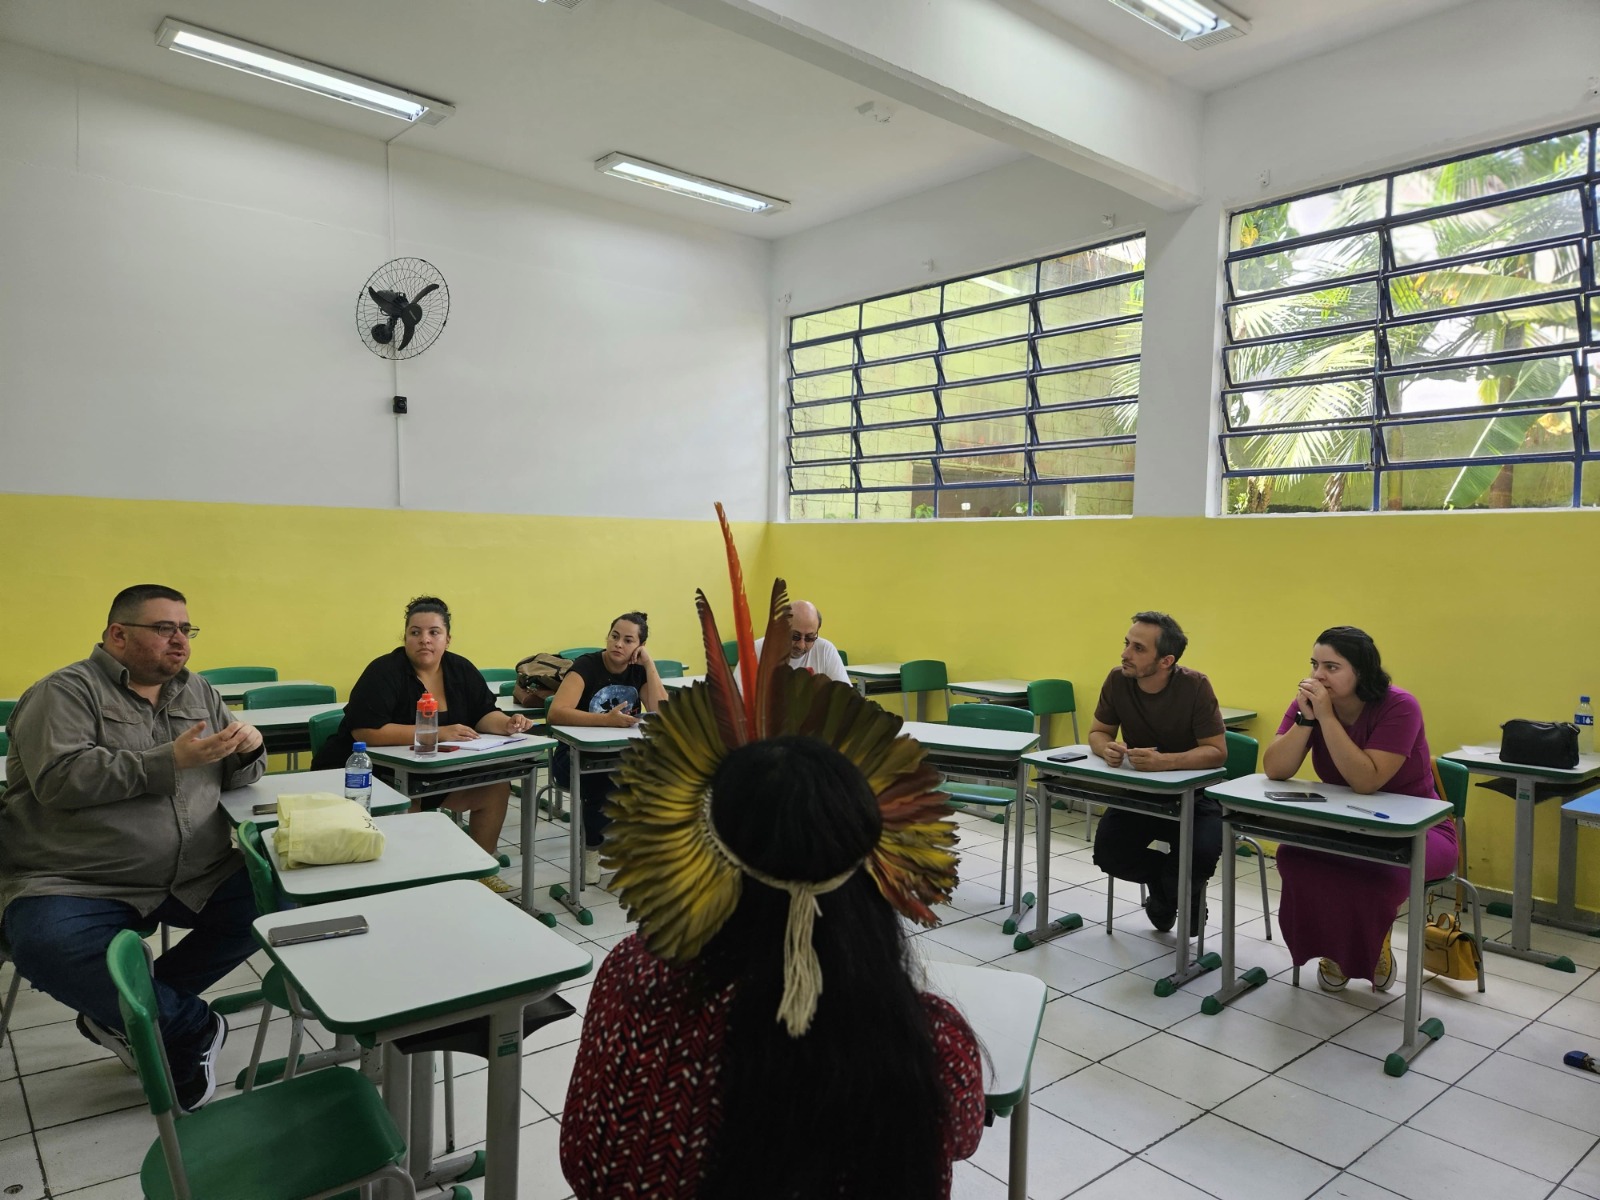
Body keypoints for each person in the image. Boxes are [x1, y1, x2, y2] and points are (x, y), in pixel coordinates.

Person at [561, 512, 982, 1198]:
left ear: (699, 851)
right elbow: (958, 1133)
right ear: (872, 863)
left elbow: (585, 1161)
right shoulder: (923, 1039)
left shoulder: (634, 988)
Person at [0, 584, 265, 1112]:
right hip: (78, 877)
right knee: (44, 943)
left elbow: (232, 779)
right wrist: (168, 760)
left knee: (271, 899)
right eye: (164, 629)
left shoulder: (199, 692)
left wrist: (249, 751)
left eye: (185, 630)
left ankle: (130, 1008)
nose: (180, 642)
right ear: (118, 634)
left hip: (196, 870)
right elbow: (58, 779)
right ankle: (186, 1025)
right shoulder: (63, 693)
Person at [1263, 626, 1456, 992]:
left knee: (1376, 870)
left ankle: (1372, 942)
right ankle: (1332, 949)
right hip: (1347, 821)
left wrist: (1328, 718)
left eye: (1332, 667)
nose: (1318, 676)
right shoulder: (1309, 705)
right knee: (1295, 855)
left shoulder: (1400, 706)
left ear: (1362, 673)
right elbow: (1275, 768)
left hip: (1418, 829)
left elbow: (1366, 780)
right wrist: (1306, 719)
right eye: (1314, 664)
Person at [311, 596, 534, 893]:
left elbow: (483, 713)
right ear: (404, 637)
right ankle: (414, 882)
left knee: (495, 788)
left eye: (433, 632)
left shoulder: (460, 669)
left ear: (448, 639)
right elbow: (366, 732)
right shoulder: (384, 671)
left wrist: (505, 724)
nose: (424, 640)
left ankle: (479, 869)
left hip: (428, 773)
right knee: (407, 800)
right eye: (415, 632)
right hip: (366, 774)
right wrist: (437, 732)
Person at [1088, 611, 1228, 933]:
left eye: (1138, 648)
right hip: (1144, 791)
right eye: (1127, 644)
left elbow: (1217, 752)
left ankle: (1176, 891)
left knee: (1199, 855)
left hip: (1198, 795)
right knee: (1109, 853)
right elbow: (1098, 732)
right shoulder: (1117, 679)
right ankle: (1168, 887)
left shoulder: (1196, 686)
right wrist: (1106, 748)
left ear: (1166, 661)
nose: (1125, 654)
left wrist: (1167, 761)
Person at [546, 612, 667, 883]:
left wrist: (649, 665)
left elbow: (662, 712)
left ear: (639, 646)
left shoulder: (638, 670)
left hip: (621, 755)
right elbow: (556, 713)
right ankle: (591, 850)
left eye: (628, 640)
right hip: (573, 756)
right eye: (614, 636)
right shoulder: (586, 666)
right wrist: (605, 721)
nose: (618, 644)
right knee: (606, 779)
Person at [744, 599, 849, 685]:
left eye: (809, 638)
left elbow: (847, 700)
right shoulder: (757, 651)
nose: (801, 645)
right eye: (795, 636)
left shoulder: (825, 650)